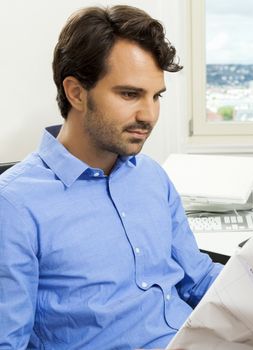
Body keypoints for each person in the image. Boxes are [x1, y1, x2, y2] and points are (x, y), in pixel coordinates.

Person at [0, 5, 222, 349]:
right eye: (129, 94)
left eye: (156, 96)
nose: (148, 115)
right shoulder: (13, 206)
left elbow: (199, 280)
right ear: (76, 92)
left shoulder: (151, 176)